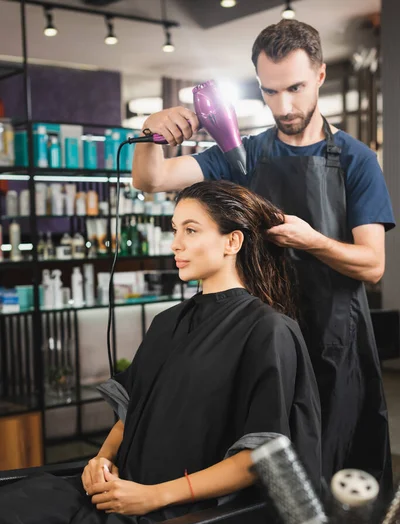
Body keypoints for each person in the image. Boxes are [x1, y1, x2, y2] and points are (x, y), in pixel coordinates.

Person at [0, 181, 321, 524]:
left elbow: (260, 458)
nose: (175, 244)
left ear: (233, 241)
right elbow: (132, 410)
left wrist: (152, 497)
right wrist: (101, 459)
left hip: (178, 510)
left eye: (190, 230)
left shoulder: (268, 331)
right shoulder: (166, 322)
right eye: (174, 230)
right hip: (119, 490)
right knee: (10, 512)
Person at [132, 19, 395, 495]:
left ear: (318, 76)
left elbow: (372, 263)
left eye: (294, 88)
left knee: (331, 470)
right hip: (260, 340)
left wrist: (310, 240)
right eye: (270, 92)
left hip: (334, 340)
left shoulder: (356, 160)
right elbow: (152, 180)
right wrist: (151, 132)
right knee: (261, 468)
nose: (284, 106)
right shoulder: (242, 155)